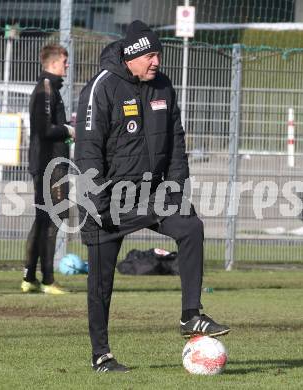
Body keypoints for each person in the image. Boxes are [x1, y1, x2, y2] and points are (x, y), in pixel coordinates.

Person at [75, 20, 230, 372]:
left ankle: (191, 315)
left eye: (158, 53)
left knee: (190, 227)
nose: (156, 61)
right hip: (107, 200)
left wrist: (175, 188)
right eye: (149, 54)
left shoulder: (163, 86)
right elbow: (87, 149)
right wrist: (96, 203)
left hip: (152, 193)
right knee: (101, 284)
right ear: (131, 56)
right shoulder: (102, 87)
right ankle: (102, 356)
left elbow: (176, 141)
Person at [21, 44, 75, 295]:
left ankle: (29, 277)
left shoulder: (51, 88)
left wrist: (65, 125)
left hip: (49, 163)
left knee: (44, 219)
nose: (67, 65)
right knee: (53, 218)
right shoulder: (45, 89)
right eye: (65, 61)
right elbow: (44, 130)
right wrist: (68, 130)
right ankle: (48, 280)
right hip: (49, 165)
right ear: (53, 63)